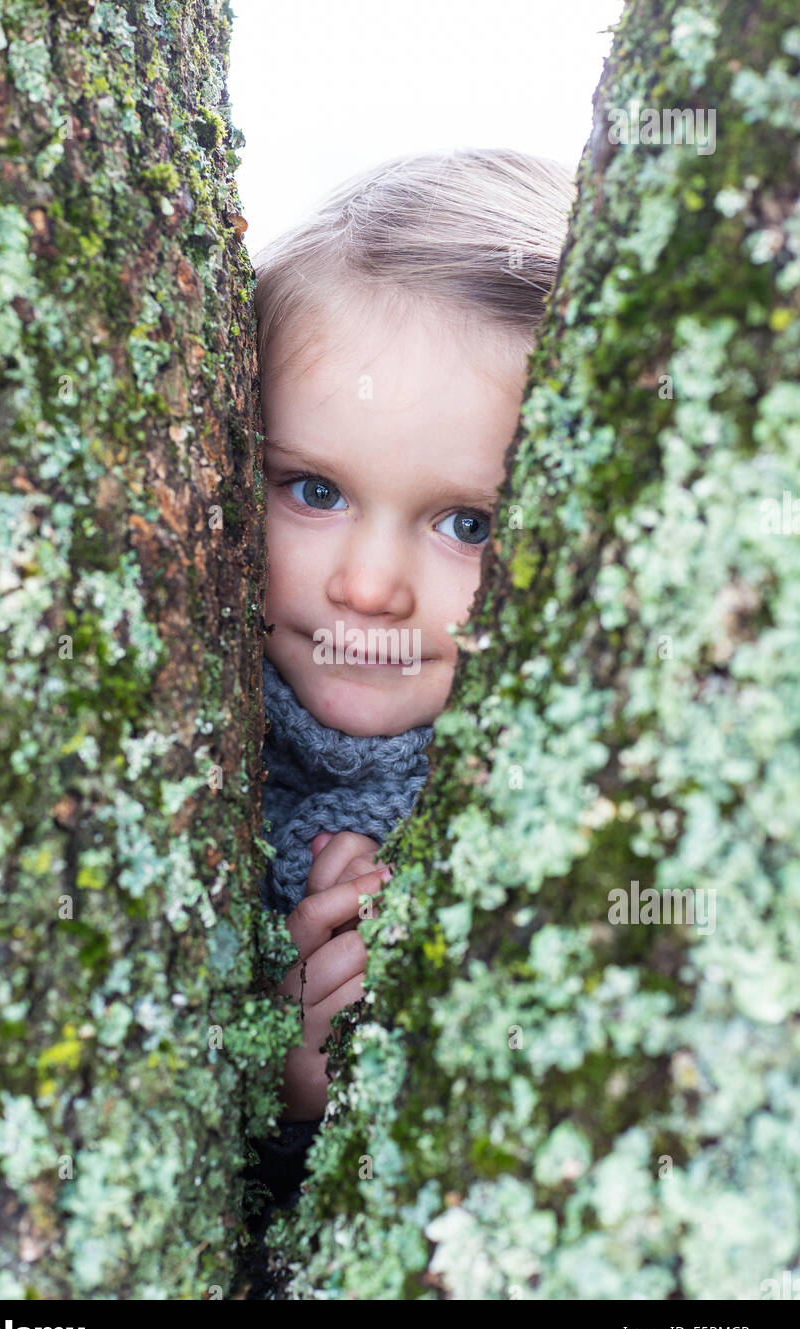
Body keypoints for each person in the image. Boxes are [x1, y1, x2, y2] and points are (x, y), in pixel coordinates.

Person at [248, 148, 574, 1227]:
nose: (368, 587)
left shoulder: (562, 815)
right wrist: (275, 1085)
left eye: (464, 524)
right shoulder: (188, 751)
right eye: (313, 489)